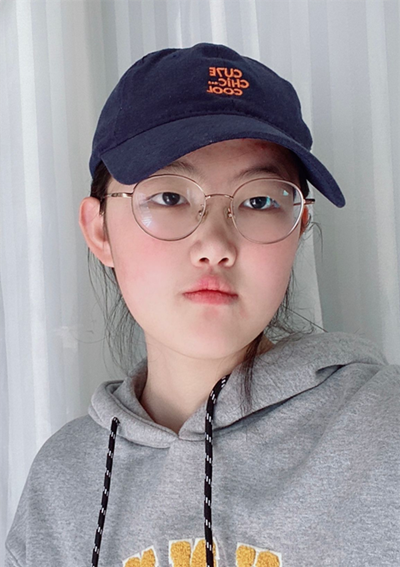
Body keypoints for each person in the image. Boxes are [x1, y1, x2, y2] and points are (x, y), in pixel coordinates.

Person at [5, 43, 400, 567]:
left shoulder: (385, 430)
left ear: (299, 227)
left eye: (259, 201)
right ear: (99, 230)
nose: (215, 245)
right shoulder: (62, 482)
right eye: (169, 197)